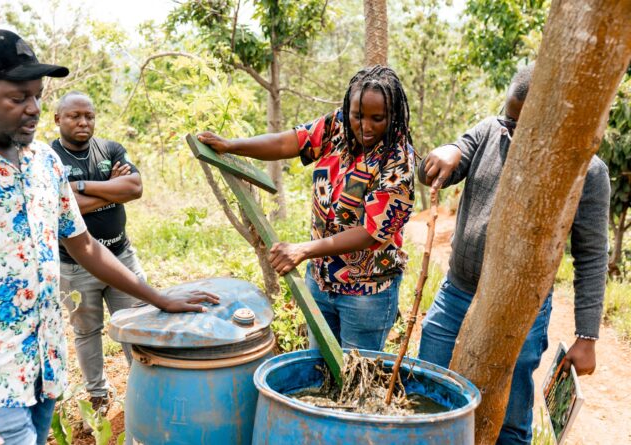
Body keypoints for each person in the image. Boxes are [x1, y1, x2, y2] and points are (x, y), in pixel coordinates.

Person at [0, 29, 218, 445]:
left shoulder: (43, 161)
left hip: (45, 371)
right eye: (17, 98)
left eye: (37, 95)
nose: (33, 109)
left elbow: (83, 245)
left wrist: (159, 298)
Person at [418, 63, 610, 445]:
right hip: (457, 294)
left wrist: (587, 337)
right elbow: (443, 164)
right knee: (427, 397)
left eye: (522, 127)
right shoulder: (491, 133)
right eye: (508, 120)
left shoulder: (587, 172)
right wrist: (446, 153)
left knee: (508, 417)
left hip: (522, 312)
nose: (510, 132)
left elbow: (591, 257)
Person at [198, 65, 415, 351]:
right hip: (321, 281)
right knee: (318, 363)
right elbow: (289, 142)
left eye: (378, 118)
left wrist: (303, 250)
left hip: (366, 294)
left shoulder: (398, 163)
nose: (365, 126)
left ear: (393, 116)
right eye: (357, 115)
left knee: (355, 371)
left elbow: (370, 233)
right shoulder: (338, 125)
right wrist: (231, 145)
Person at [51, 91, 145, 417]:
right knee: (86, 331)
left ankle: (143, 389)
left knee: (137, 325)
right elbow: (60, 207)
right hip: (75, 266)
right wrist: (110, 190)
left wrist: (78, 188)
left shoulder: (110, 149)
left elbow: (134, 188)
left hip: (121, 257)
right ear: (57, 119)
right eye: (74, 116)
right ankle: (98, 396)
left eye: (89, 116)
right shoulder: (49, 158)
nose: (83, 122)